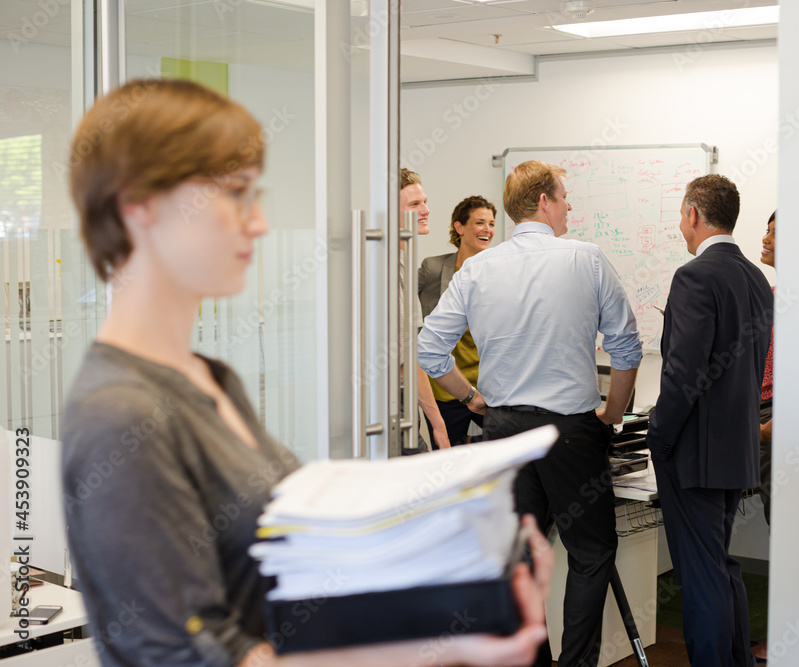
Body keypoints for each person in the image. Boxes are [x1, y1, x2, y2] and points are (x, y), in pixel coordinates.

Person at [61, 78, 553, 667]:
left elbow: (279, 595)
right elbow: (181, 652)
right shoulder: (118, 414)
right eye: (234, 195)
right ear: (139, 207)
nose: (258, 222)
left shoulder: (214, 380)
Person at [418, 160, 642, 667]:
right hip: (571, 431)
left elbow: (430, 349)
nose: (568, 206)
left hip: (503, 432)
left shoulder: (478, 268)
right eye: (564, 197)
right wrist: (612, 412)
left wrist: (472, 400)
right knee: (590, 552)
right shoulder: (587, 258)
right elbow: (626, 347)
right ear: (544, 201)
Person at [645, 174, 773, 667]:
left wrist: (658, 436)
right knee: (719, 565)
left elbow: (684, 374)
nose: (682, 225)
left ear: (693, 214)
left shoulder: (695, 276)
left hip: (695, 456)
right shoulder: (755, 277)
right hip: (736, 448)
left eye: (682, 215)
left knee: (701, 579)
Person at [417, 195, 496, 448]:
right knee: (448, 458)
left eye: (492, 224)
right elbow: (398, 302)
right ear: (459, 227)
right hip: (446, 387)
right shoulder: (433, 268)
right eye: (480, 223)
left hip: (487, 387)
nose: (487, 230)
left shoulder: (498, 270)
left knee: (501, 456)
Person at [399, 168, 448, 452]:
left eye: (425, 202)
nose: (426, 210)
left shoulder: (402, 258)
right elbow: (407, 358)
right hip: (393, 402)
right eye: (415, 204)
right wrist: (438, 424)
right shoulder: (391, 264)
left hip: (401, 399)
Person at [758, 211, 776, 526]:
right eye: (767, 230)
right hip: (760, 413)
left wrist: (770, 428)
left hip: (776, 418)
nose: (765, 239)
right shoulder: (771, 295)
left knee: (782, 512)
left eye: (775, 234)